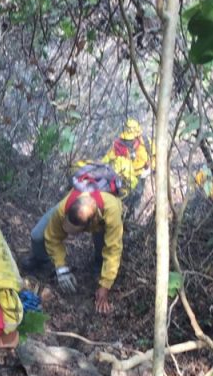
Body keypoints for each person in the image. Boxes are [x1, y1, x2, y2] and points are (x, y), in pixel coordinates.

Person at [24, 184, 123, 314]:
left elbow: (113, 251)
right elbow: (53, 237)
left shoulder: (112, 210)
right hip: (79, 215)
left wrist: (105, 285)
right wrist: (61, 268)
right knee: (37, 236)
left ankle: (98, 264)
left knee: (104, 241)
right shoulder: (63, 208)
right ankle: (43, 260)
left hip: (102, 221)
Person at [101, 118, 153, 215]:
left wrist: (150, 167)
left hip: (140, 175)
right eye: (127, 140)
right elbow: (108, 158)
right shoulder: (120, 145)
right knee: (123, 200)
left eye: (131, 140)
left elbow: (157, 156)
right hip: (125, 178)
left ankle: (131, 214)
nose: (129, 142)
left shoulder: (146, 143)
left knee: (136, 197)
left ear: (138, 136)